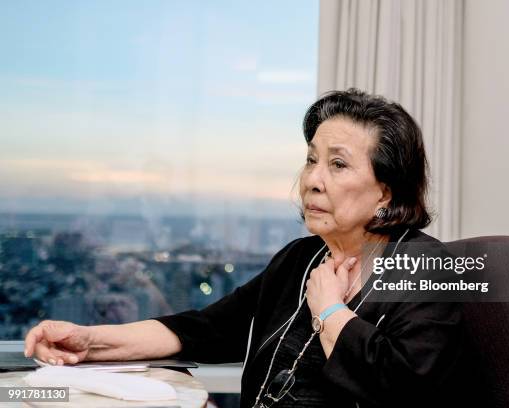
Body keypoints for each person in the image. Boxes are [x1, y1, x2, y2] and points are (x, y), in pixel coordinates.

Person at [24, 89, 483, 407]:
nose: (312, 180)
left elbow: (404, 388)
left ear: (386, 192)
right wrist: (89, 342)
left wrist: (329, 313)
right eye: (311, 160)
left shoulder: (430, 266)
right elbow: (205, 328)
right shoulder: (299, 259)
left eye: (338, 164)